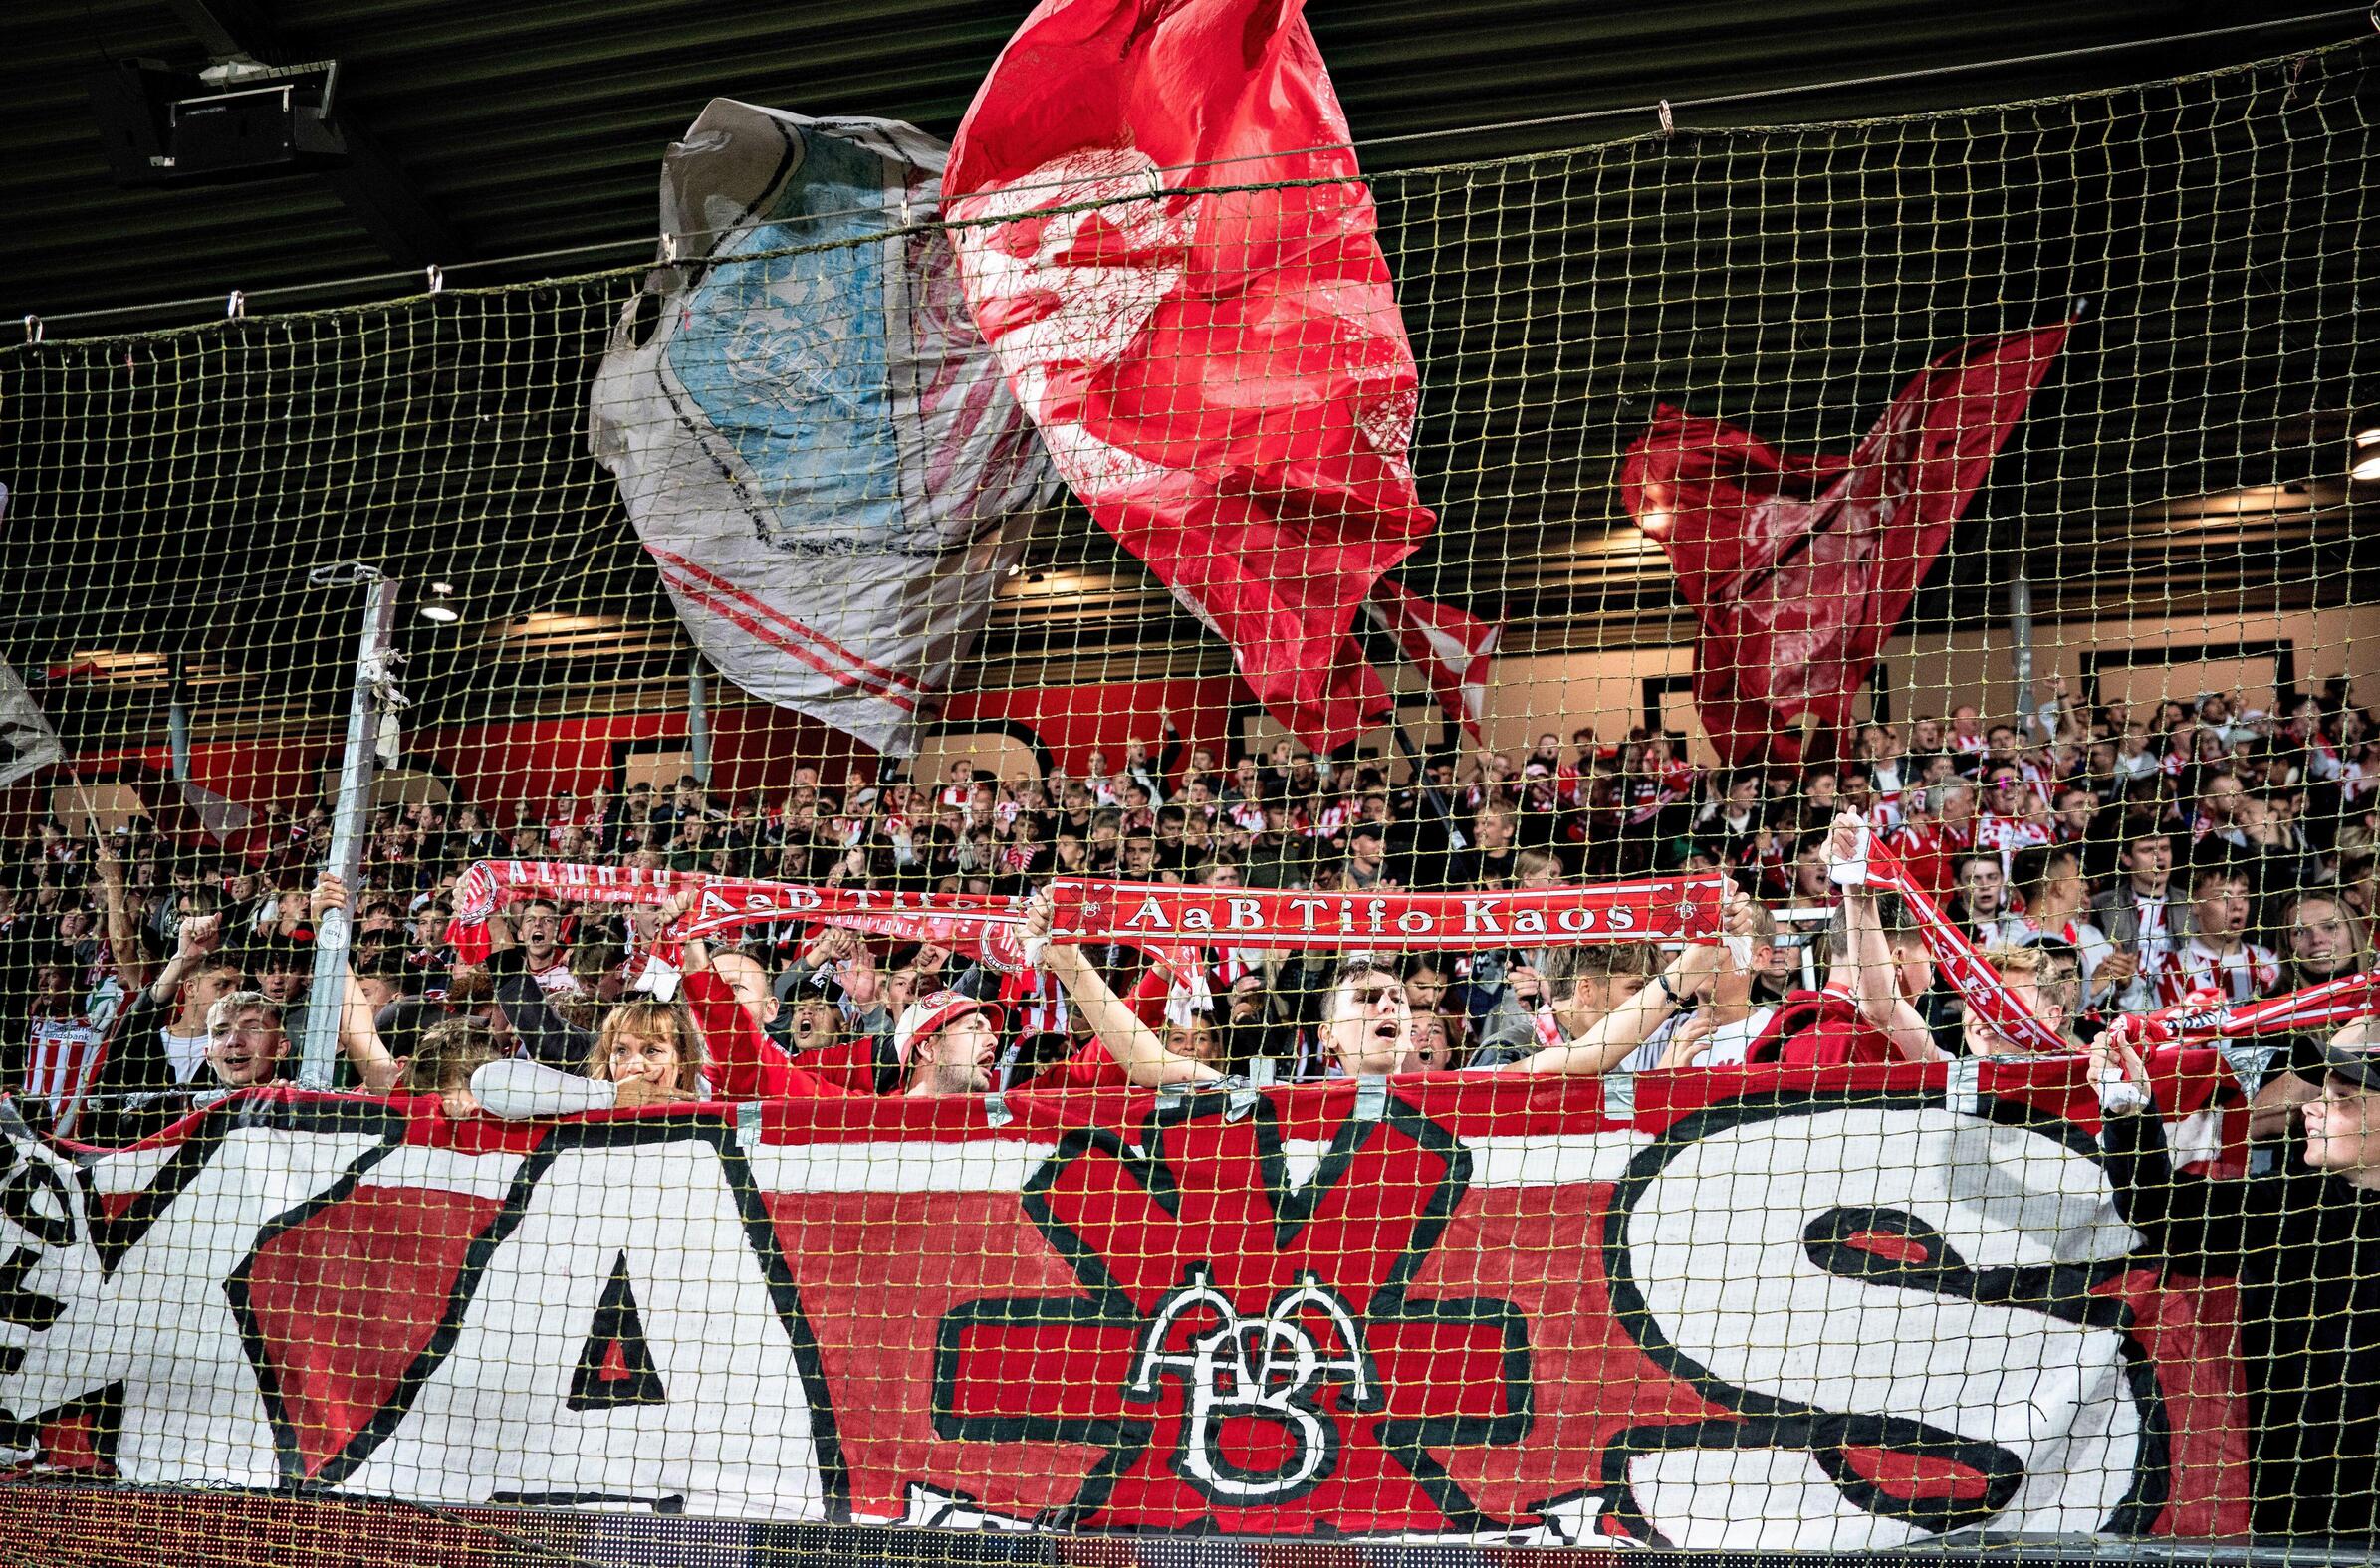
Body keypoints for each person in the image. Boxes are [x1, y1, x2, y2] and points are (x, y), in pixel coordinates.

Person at [2094, 1022, 2380, 1539]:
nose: (2312, 1105)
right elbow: (2158, 1207)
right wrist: (2129, 1110)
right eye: (2322, 1092)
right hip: (2300, 1511)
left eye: (2343, 1099)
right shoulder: (2295, 1202)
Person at [471, 999, 713, 1119]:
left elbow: (750, 1132)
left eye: (652, 1051)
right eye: (621, 1051)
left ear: (682, 1062)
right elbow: (485, 1081)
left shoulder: (713, 1099)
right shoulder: (584, 1102)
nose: (635, 1067)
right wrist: (610, 1097)